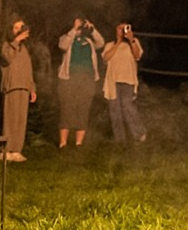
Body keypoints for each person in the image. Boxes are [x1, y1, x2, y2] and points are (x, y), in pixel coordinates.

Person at [55, 18, 104, 149]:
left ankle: (78, 143)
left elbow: (101, 43)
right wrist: (74, 29)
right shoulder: (66, 38)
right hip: (69, 79)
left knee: (83, 108)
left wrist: (92, 29)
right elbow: (63, 46)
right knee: (67, 108)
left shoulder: (89, 41)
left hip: (87, 79)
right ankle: (63, 143)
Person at [103, 21, 147, 145]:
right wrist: (117, 42)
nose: (122, 30)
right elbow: (106, 57)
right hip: (112, 82)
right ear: (115, 30)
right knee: (114, 110)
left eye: (125, 28)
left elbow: (137, 55)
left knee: (128, 107)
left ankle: (139, 134)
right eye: (119, 28)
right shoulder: (110, 44)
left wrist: (131, 39)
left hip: (128, 80)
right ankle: (120, 140)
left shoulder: (133, 42)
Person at [0, 18, 37, 162]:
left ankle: (16, 150)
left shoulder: (24, 49)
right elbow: (7, 58)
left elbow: (29, 70)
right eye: (16, 28)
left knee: (21, 120)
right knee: (10, 120)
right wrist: (16, 41)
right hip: (11, 86)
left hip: (24, 87)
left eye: (22, 28)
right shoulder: (7, 46)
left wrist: (32, 88)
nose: (19, 31)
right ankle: (6, 150)